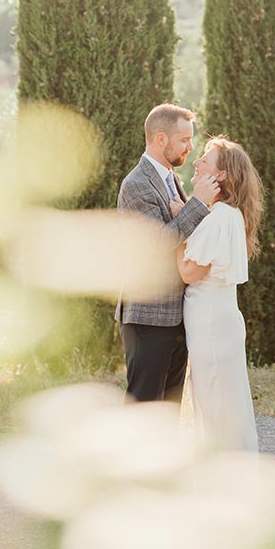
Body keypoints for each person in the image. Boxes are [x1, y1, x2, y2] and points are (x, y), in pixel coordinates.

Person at [116, 104, 220, 403]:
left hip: (175, 315)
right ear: (161, 139)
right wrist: (198, 204)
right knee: (144, 406)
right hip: (148, 316)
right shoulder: (137, 184)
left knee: (168, 409)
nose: (190, 147)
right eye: (185, 140)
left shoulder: (171, 179)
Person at [174, 136, 262, 452]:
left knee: (216, 403)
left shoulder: (220, 216)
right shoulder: (225, 214)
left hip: (210, 322)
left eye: (205, 160)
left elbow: (188, 271)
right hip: (217, 318)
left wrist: (179, 221)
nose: (196, 162)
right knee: (222, 400)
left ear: (221, 175)